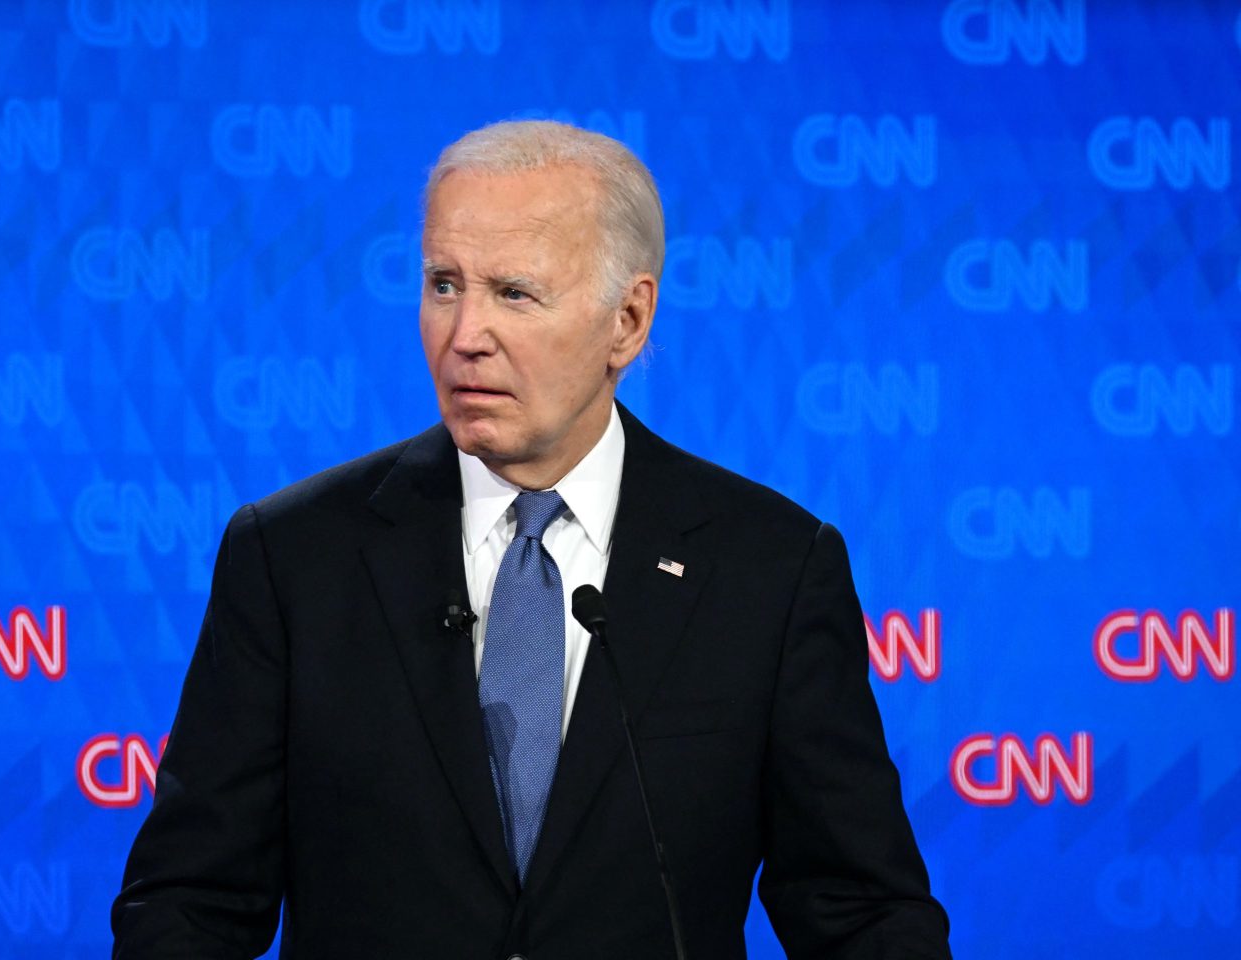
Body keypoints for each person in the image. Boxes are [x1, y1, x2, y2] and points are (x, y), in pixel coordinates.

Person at [111, 120, 951, 959]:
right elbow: (190, 904)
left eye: (514, 293)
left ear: (627, 319)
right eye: (444, 284)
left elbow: (863, 917)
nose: (465, 333)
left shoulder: (769, 569)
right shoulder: (294, 557)